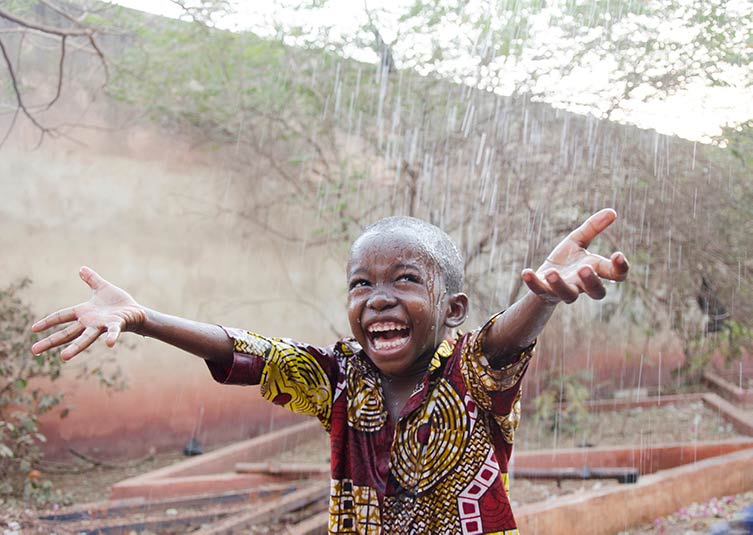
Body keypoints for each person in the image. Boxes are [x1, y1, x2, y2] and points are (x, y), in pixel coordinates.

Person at [31, 208, 629, 534]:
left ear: (452, 310)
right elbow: (246, 350)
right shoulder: (339, 378)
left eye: (405, 279)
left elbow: (504, 341)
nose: (379, 297)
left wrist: (544, 298)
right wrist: (143, 318)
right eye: (361, 283)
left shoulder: (473, 371)